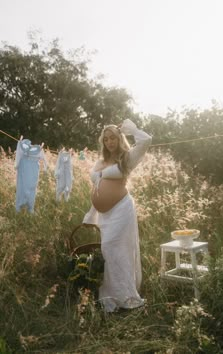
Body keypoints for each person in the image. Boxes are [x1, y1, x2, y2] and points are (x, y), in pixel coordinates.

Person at [83, 118, 152, 312]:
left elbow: (146, 141)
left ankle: (126, 295)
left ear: (119, 138)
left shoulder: (127, 157)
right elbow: (97, 180)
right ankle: (111, 296)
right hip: (106, 215)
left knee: (114, 247)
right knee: (109, 251)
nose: (110, 142)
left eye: (113, 138)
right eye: (106, 139)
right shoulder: (100, 161)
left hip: (122, 209)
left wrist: (132, 129)